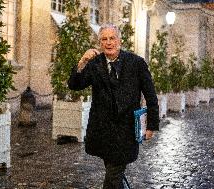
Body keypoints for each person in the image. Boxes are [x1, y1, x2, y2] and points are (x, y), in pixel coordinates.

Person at [68, 23, 159, 188]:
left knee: (113, 176)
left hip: (126, 131)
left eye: (112, 38)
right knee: (113, 171)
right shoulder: (94, 64)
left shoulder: (136, 63)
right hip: (102, 131)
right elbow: (75, 85)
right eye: (104, 39)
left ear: (120, 41)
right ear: (100, 43)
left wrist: (151, 125)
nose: (108, 42)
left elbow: (151, 96)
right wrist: (82, 61)